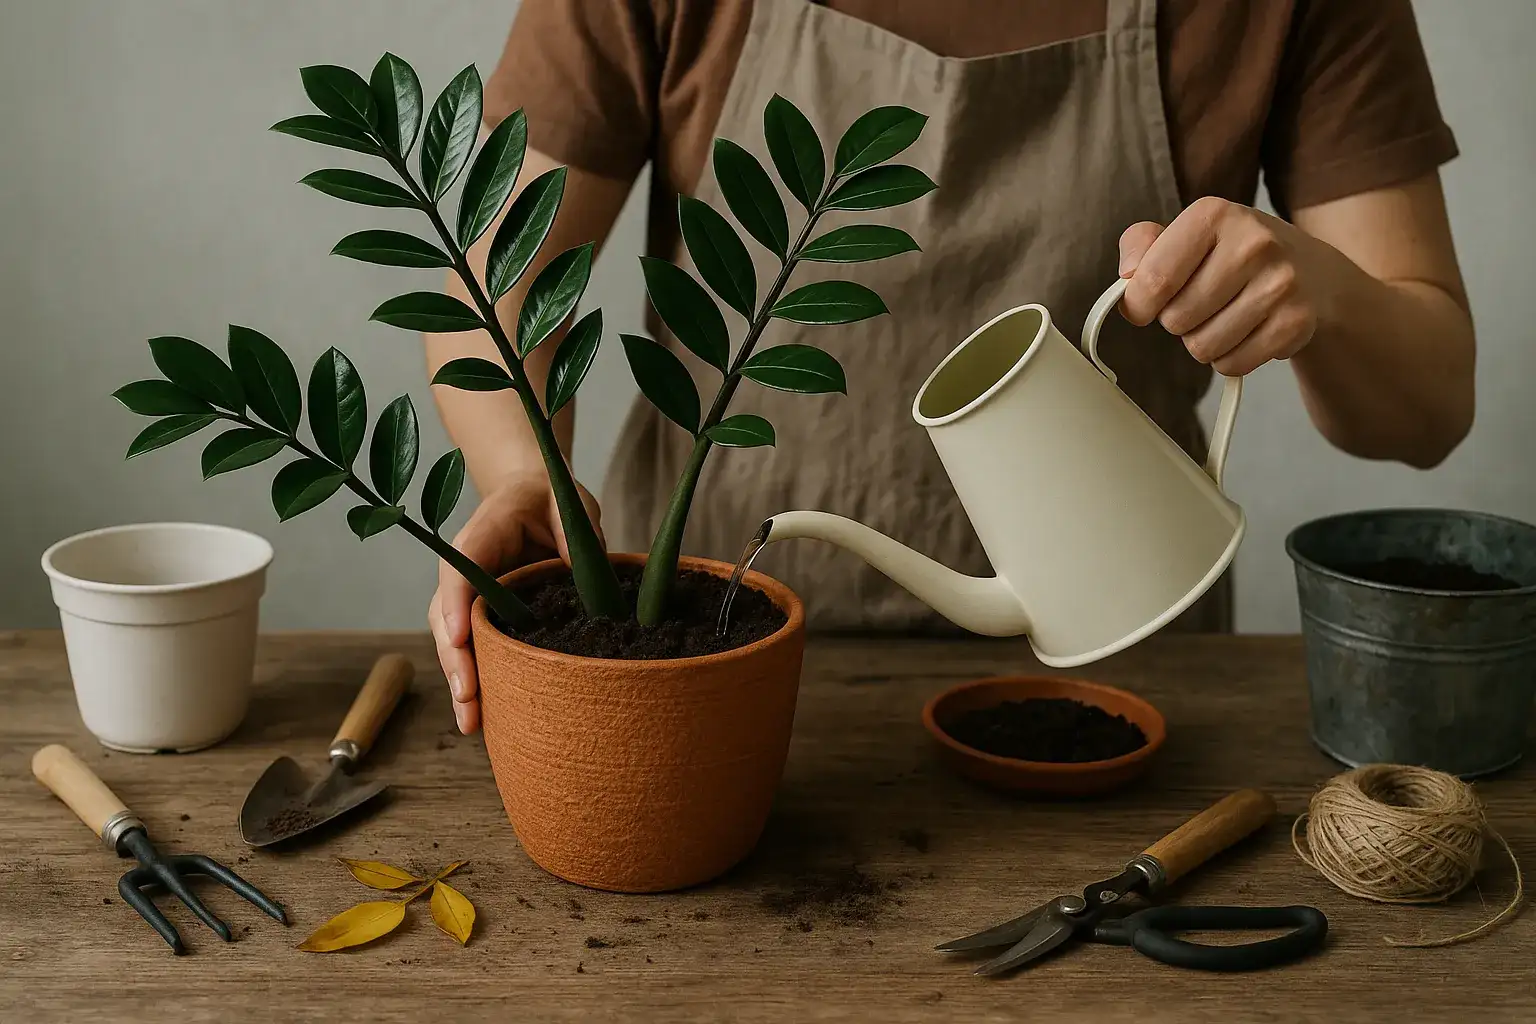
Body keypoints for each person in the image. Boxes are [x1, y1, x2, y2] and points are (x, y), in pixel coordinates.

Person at [428, 0, 1474, 733]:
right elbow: (490, 293)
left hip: (1130, 690)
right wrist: (527, 480)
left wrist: (1321, 295)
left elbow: (1426, 410)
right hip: (703, 677)